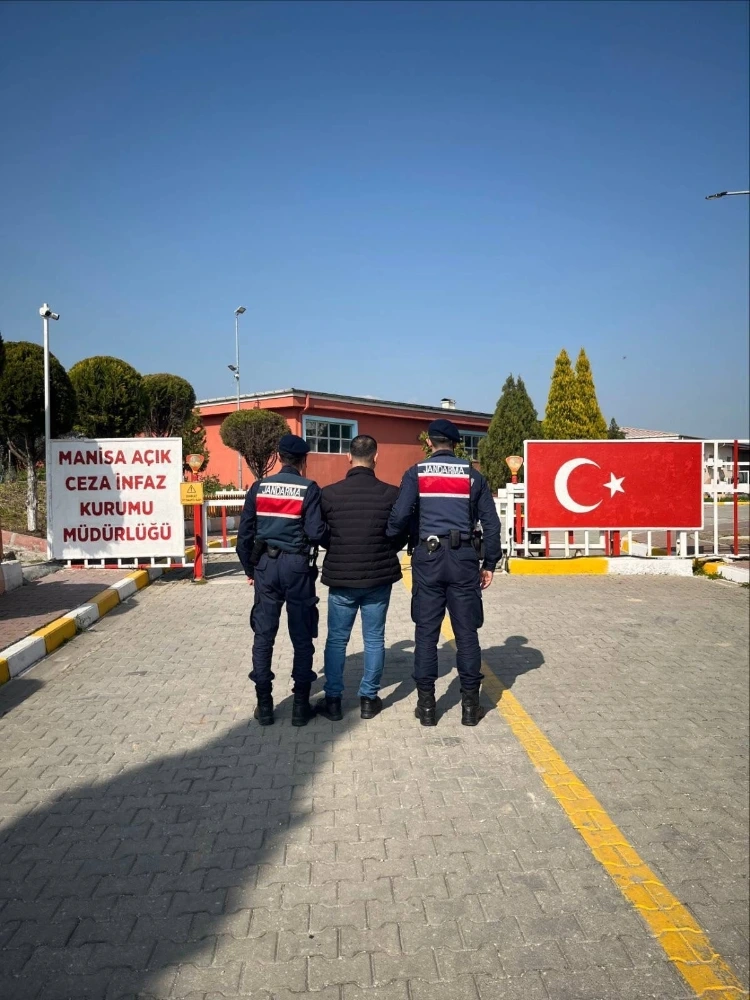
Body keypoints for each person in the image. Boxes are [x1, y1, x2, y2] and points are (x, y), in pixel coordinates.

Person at [387, 418, 502, 727]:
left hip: (428, 557)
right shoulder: (472, 476)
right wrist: (489, 563)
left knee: (426, 634)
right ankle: (470, 708)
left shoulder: (416, 473)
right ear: (455, 444)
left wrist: (392, 541)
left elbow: (399, 516)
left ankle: (426, 707)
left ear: (429, 443)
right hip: (464, 559)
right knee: (467, 633)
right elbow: (491, 524)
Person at [236, 434, 326, 727]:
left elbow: (244, 536)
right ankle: (300, 707)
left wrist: (250, 569)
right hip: (297, 567)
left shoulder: (258, 487)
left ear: (279, 456)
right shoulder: (309, 488)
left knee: (264, 635)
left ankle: (264, 705)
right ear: (303, 460)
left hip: (265, 566)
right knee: (301, 635)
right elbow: (316, 532)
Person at [315, 435, 405, 722]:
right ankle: (368, 699)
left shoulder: (329, 494)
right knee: (375, 639)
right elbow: (400, 530)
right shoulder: (391, 494)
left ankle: (333, 700)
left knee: (336, 640)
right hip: (378, 578)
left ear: (348, 457)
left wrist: (336, 545)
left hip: (341, 577)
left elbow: (318, 531)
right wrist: (387, 548)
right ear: (376, 457)